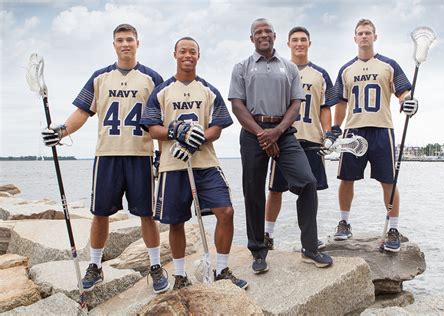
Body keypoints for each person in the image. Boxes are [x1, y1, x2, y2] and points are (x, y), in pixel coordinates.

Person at [41, 24, 169, 293]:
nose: (125, 44)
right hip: (107, 155)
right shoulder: (100, 77)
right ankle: (96, 266)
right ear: (114, 45)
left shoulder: (152, 78)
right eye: (120, 40)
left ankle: (155, 266)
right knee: (100, 214)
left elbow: (160, 120)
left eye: (130, 40)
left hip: (140, 155)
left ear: (138, 43)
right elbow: (82, 111)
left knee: (146, 214)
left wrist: (161, 154)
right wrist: (62, 130)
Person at [140, 36, 248, 290]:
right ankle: (180, 276)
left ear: (198, 56)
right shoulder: (162, 90)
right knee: (176, 221)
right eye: (183, 51)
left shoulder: (208, 90)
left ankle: (221, 269)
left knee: (226, 212)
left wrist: (197, 139)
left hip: (205, 163)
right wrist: (177, 133)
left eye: (192, 52)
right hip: (173, 165)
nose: (187, 55)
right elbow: (152, 128)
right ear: (175, 55)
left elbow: (218, 126)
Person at [229, 18, 333, 273]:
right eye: (258, 32)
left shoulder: (289, 68)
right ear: (251, 38)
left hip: (283, 132)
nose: (263, 35)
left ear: (274, 36)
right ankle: (258, 251)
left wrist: (276, 132)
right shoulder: (241, 67)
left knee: (307, 182)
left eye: (267, 31)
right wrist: (262, 134)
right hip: (253, 132)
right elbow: (237, 105)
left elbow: (296, 104)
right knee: (253, 192)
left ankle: (310, 248)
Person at [332, 19, 418, 252]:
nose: (364, 37)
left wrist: (408, 102)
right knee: (346, 178)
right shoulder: (346, 69)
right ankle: (344, 222)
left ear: (375, 37)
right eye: (360, 33)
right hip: (354, 129)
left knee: (389, 181)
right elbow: (341, 101)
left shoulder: (388, 65)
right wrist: (335, 127)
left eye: (368, 33)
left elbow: (403, 92)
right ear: (354, 38)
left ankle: (393, 228)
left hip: (382, 129)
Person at [264, 26, 338, 251]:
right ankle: (268, 234)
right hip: (285, 138)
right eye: (294, 40)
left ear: (309, 43)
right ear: (288, 44)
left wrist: (328, 133)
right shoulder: (278, 70)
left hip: (312, 138)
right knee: (276, 189)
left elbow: (325, 108)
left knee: (310, 190)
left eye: (303, 39)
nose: (299, 43)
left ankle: (309, 238)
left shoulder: (320, 74)